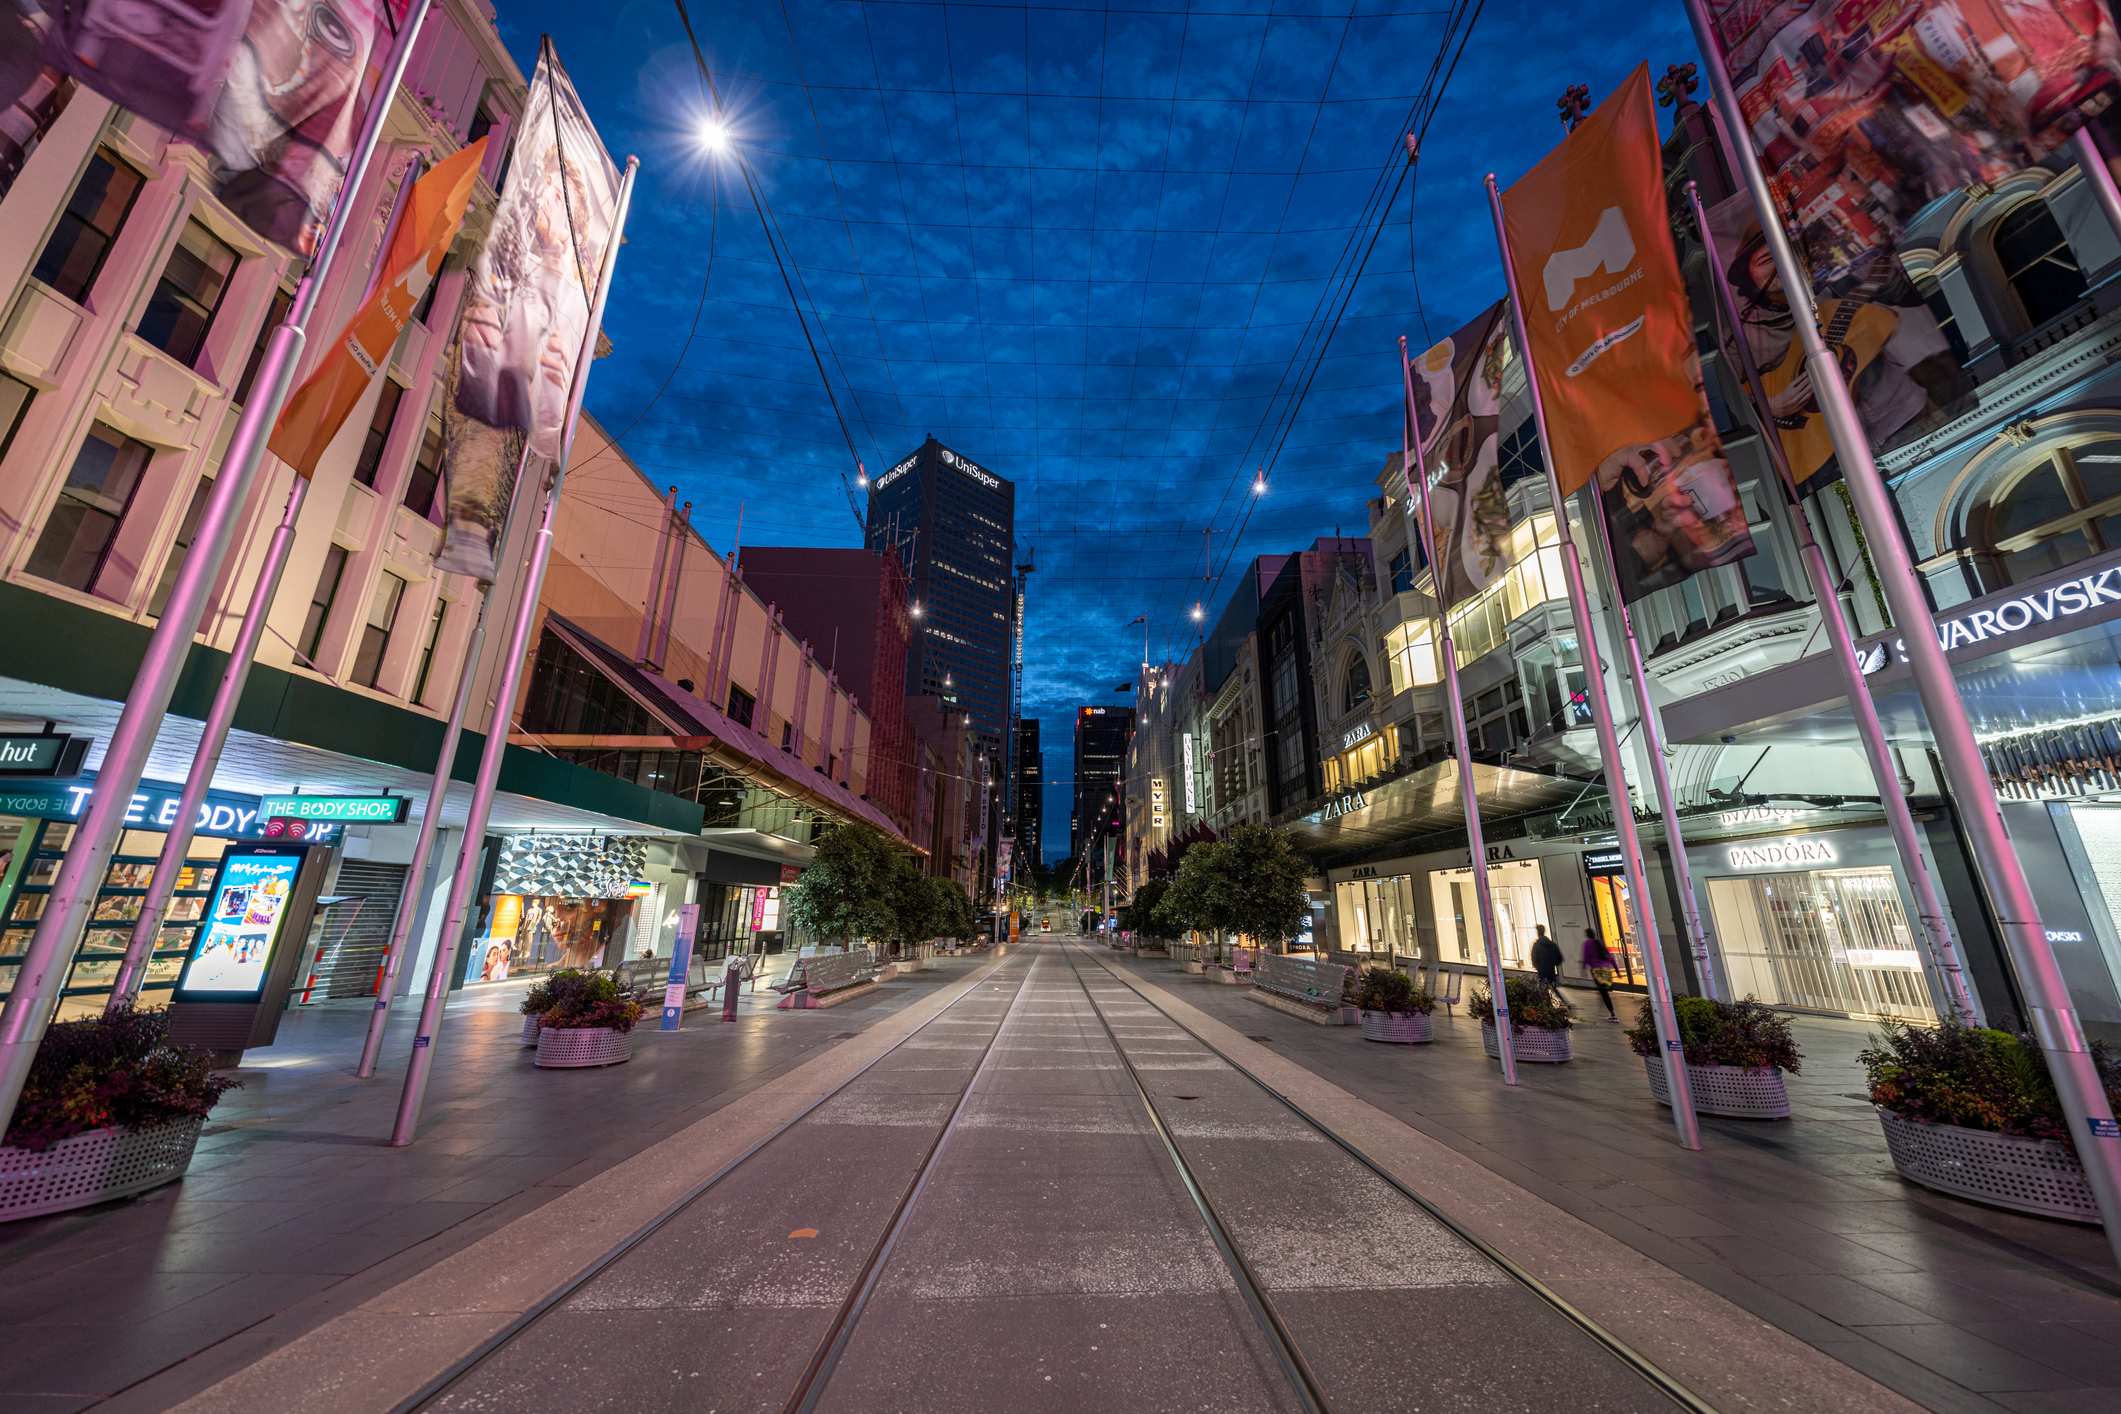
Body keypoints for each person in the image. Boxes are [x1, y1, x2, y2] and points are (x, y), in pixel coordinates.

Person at [1581, 928, 1620, 1022]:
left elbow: (1585, 957)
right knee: (1604, 992)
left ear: (1587, 935)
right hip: (1606, 970)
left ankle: (1613, 1014)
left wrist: (1584, 968)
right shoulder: (1600, 943)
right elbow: (1610, 957)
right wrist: (1617, 971)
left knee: (1604, 993)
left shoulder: (1587, 943)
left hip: (1596, 971)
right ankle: (1612, 1013)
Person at [1530, 925, 1563, 992]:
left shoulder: (1536, 945)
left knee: (1543, 990)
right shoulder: (1552, 944)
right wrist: (1553, 963)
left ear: (1538, 933)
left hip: (1541, 972)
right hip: (1551, 971)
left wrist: (1537, 966)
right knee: (1553, 989)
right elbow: (1559, 957)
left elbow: (1534, 959)